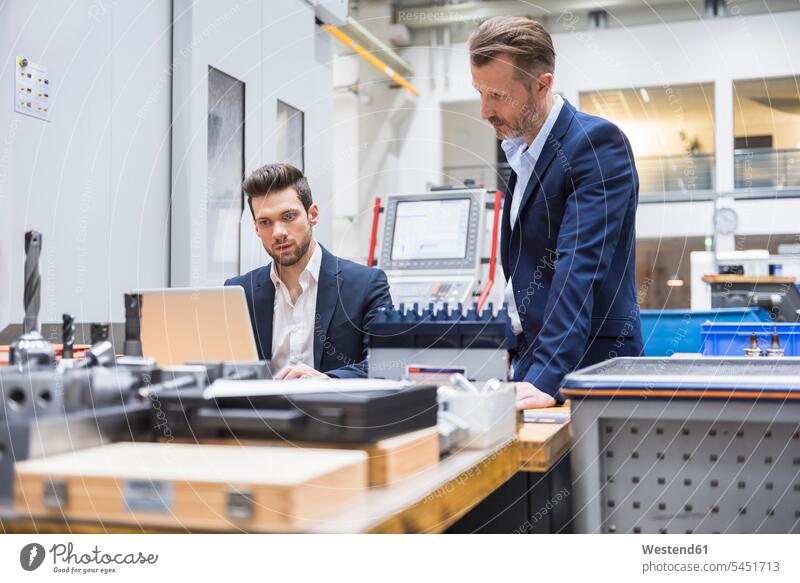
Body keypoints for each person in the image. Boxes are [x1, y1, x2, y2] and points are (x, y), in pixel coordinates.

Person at [469, 16, 643, 409]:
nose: (484, 111)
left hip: (590, 368)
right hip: (536, 360)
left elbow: (579, 266)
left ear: (542, 85)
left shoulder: (595, 145)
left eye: (497, 95)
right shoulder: (521, 154)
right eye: (480, 93)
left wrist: (548, 376)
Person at [225, 163, 392, 379]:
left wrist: (327, 382)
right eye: (265, 222)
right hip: (263, 412)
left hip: (334, 410)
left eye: (288, 216)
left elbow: (384, 366)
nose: (278, 232)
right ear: (256, 228)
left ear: (312, 214)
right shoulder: (238, 292)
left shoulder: (366, 285)